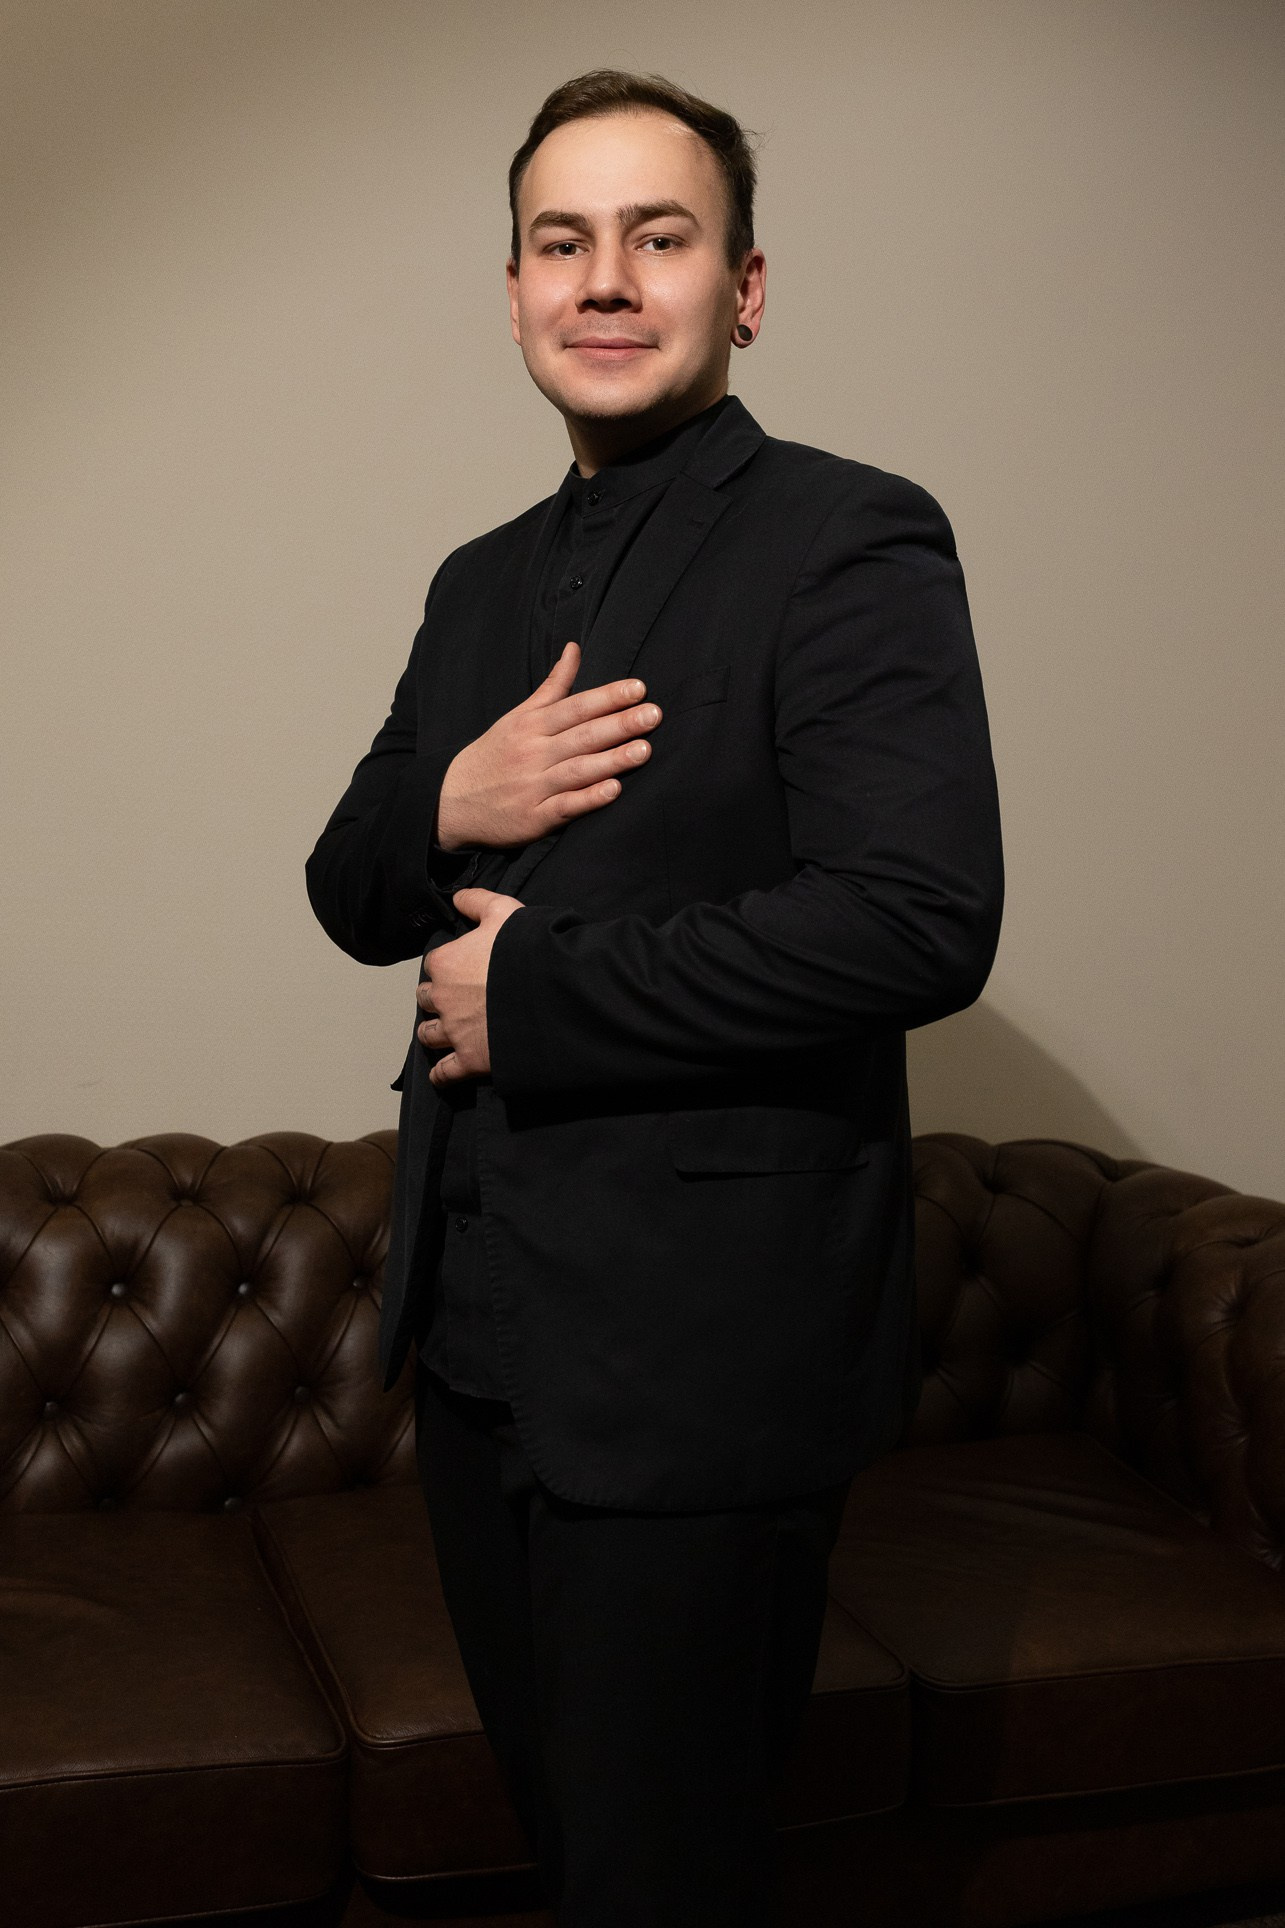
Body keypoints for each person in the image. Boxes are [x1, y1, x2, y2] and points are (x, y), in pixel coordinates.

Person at [305, 67, 1003, 1928]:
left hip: (703, 1365)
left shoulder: (848, 535)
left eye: (657, 237)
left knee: (659, 1886)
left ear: (742, 288)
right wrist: (448, 807)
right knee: (569, 1851)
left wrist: (538, 994)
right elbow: (345, 884)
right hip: (477, 1350)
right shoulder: (474, 584)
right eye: (561, 242)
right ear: (515, 292)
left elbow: (918, 919)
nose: (603, 278)